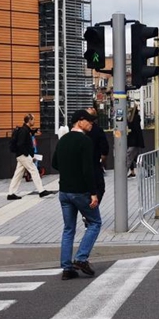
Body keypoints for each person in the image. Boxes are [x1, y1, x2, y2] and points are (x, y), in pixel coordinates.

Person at [52, 109, 102, 280]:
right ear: (79, 121)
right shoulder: (85, 141)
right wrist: (93, 193)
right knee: (95, 222)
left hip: (64, 192)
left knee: (68, 229)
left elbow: (54, 163)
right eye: (89, 121)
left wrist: (68, 171)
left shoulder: (63, 140)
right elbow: (88, 170)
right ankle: (81, 258)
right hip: (80, 192)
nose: (91, 124)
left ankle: (67, 268)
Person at [8, 114, 54, 200]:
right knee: (34, 171)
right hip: (23, 155)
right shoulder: (24, 131)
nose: (34, 121)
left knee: (18, 174)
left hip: (21, 155)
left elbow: (28, 134)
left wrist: (34, 131)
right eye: (33, 120)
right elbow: (20, 144)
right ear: (29, 120)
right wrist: (28, 155)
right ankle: (41, 191)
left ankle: (11, 193)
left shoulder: (25, 130)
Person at [85, 107, 109, 203]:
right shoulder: (98, 131)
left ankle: (88, 210)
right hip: (94, 164)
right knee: (99, 188)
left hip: (84, 165)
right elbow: (104, 150)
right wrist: (102, 162)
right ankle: (90, 210)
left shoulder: (78, 132)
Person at [126, 103, 145, 178]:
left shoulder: (134, 119)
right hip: (133, 142)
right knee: (136, 158)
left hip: (133, 142)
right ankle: (149, 170)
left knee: (128, 157)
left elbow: (136, 130)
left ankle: (124, 174)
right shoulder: (133, 118)